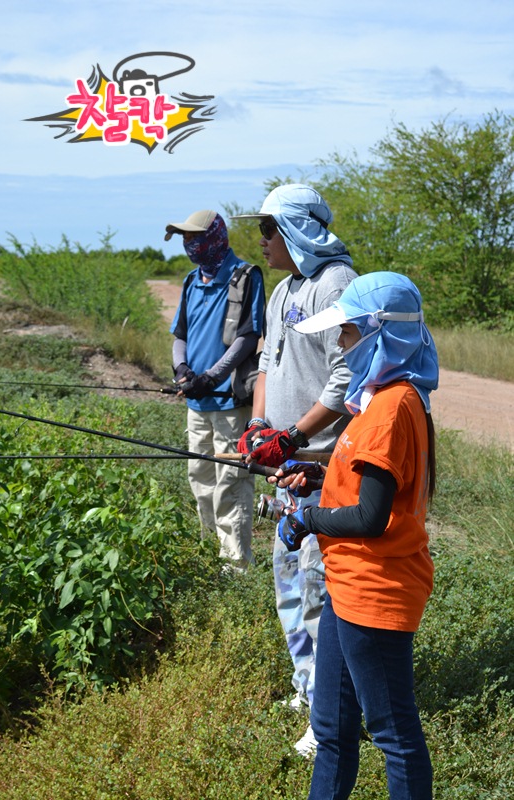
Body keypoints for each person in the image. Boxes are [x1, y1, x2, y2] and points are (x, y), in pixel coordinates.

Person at [275, 271, 439, 799]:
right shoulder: (381, 399)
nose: (340, 346)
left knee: (393, 736)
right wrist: (321, 477)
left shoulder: (392, 408)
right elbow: (369, 485)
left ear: (378, 333)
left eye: (347, 333)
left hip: (376, 591)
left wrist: (306, 519)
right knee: (332, 729)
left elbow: (370, 519)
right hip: (348, 587)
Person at [233, 183, 357, 755]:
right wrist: (261, 427)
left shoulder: (336, 284)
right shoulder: (283, 290)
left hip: (320, 465)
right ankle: (306, 684)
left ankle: (328, 715)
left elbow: (345, 378)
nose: (260, 241)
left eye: (268, 229)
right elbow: (266, 364)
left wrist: (295, 436)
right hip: (282, 464)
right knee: (287, 581)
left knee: (316, 587)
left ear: (298, 229)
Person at [166, 209, 265, 571]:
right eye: (185, 239)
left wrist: (211, 375)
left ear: (216, 236)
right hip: (197, 401)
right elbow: (181, 335)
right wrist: (183, 370)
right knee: (200, 476)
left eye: (195, 237)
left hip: (228, 401)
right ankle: (210, 556)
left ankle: (236, 565)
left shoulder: (246, 276)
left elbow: (249, 337)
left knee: (231, 481)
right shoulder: (192, 280)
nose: (189, 245)